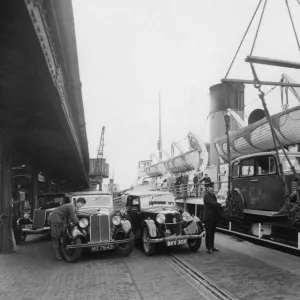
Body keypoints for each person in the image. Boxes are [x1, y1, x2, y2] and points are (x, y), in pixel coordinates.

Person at [203, 182, 225, 254]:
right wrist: (221, 205)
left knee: (212, 233)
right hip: (209, 217)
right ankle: (208, 248)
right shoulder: (206, 195)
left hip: (213, 217)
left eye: (213, 187)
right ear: (208, 188)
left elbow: (214, 203)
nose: (213, 188)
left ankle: (212, 246)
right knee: (209, 233)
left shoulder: (212, 194)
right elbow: (212, 203)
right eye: (212, 187)